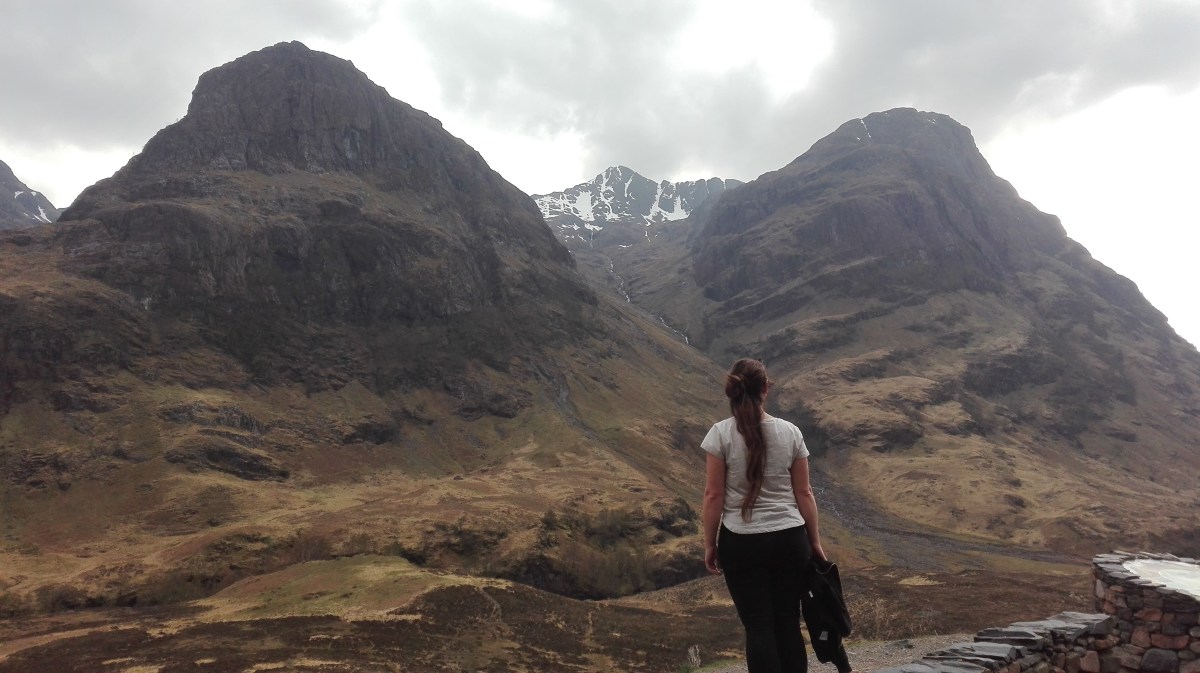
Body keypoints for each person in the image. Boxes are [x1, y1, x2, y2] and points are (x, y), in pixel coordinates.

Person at [703, 358, 827, 673]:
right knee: (788, 622)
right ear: (765, 389)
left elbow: (713, 495)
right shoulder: (791, 432)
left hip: (741, 543)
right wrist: (814, 542)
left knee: (758, 625)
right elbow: (804, 493)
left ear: (732, 391)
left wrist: (710, 544)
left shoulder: (720, 435)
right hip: (790, 540)